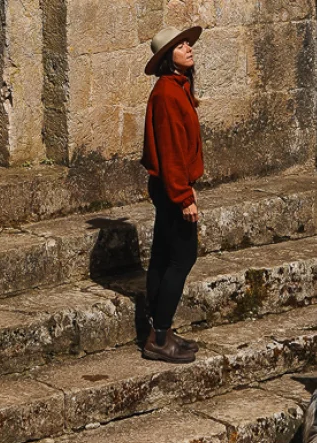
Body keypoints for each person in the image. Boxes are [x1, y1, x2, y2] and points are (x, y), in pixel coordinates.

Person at [139, 25, 205, 364]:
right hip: (172, 187)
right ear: (168, 59)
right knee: (183, 257)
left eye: (187, 44)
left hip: (170, 186)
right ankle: (158, 337)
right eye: (180, 46)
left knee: (165, 257)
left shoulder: (177, 87)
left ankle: (159, 330)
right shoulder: (167, 93)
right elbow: (171, 150)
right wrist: (184, 197)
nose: (188, 48)